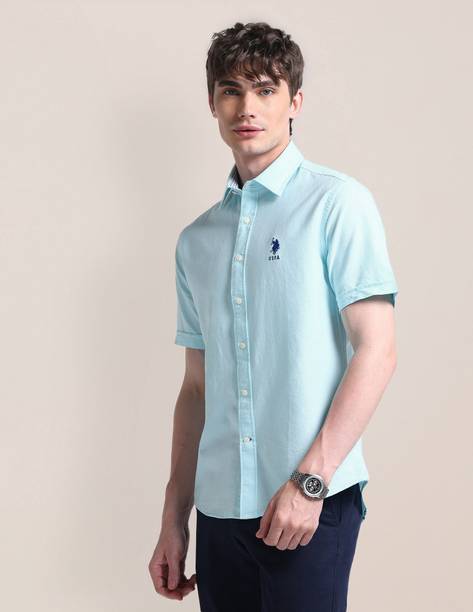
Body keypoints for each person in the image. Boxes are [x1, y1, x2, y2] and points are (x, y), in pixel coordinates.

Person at [149, 21, 399, 612]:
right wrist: (174, 517)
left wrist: (310, 483)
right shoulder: (196, 241)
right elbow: (196, 388)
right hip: (219, 513)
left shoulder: (337, 203)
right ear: (213, 103)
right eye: (231, 90)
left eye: (265, 89)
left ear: (295, 102)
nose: (247, 107)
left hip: (310, 501)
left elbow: (378, 350)